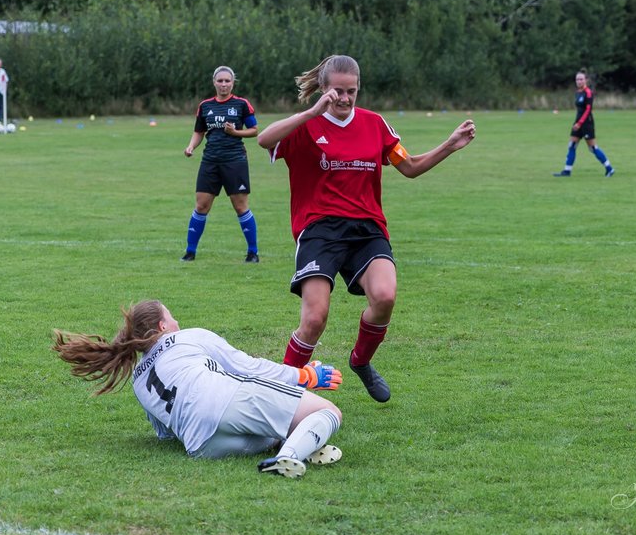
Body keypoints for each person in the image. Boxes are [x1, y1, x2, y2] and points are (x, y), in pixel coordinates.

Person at [257, 54, 476, 403]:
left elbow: (410, 166)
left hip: (367, 229)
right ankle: (279, 392)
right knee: (315, 318)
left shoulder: (375, 124)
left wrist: (450, 145)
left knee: (386, 296)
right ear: (324, 90)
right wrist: (312, 113)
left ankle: (360, 361)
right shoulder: (305, 126)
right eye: (337, 92)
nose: (344, 99)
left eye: (351, 92)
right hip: (319, 230)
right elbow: (264, 139)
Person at [53, 299, 344, 478]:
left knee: (275, 430)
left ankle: (294, 444)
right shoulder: (188, 337)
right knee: (327, 411)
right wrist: (304, 376)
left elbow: (164, 433)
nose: (177, 320)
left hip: (202, 447)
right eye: (171, 316)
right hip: (225, 402)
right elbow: (248, 367)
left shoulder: (139, 380)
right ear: (162, 326)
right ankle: (290, 456)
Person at [181, 66, 261, 263]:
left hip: (235, 161)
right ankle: (190, 252)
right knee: (201, 205)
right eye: (220, 81)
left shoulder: (241, 104)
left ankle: (253, 252)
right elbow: (199, 131)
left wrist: (236, 133)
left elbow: (254, 130)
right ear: (214, 82)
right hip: (210, 161)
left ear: (232, 83)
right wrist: (191, 146)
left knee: (240, 207)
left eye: (227, 81)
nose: (224, 84)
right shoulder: (205, 106)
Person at [553, 69, 614, 177]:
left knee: (593, 148)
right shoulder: (578, 93)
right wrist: (577, 122)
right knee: (571, 145)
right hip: (578, 123)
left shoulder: (588, 93)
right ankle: (567, 171)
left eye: (581, 79)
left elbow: (588, 110)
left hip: (586, 124)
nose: (579, 81)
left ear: (586, 80)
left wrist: (580, 123)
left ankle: (609, 168)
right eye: (577, 79)